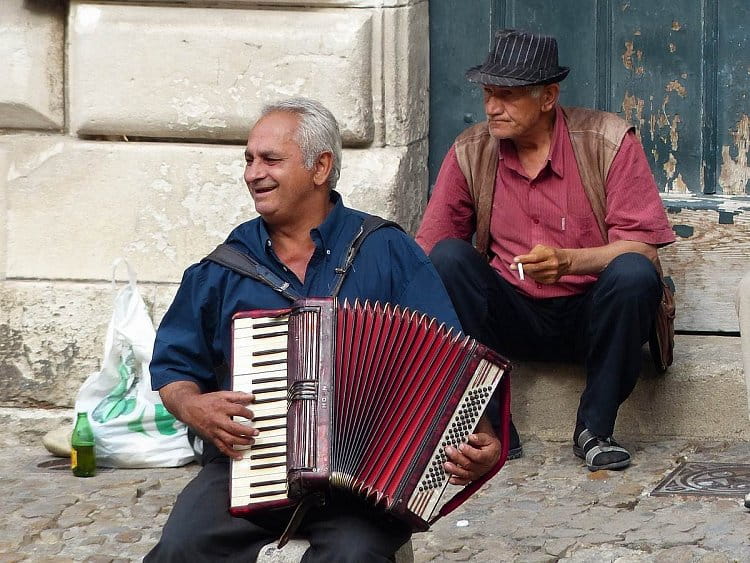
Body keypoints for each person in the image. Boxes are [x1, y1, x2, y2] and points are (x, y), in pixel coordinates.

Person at [145, 97, 503, 562]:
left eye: (271, 159)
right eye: (249, 160)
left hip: (364, 484)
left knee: (354, 557)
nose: (254, 173)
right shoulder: (225, 268)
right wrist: (194, 405)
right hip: (246, 467)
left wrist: (484, 442)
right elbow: (173, 365)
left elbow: (456, 365)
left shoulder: (386, 251)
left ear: (321, 168)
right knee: (180, 548)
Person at [416, 29, 676, 472]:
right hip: (511, 316)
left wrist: (569, 261)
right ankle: (494, 424)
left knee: (634, 273)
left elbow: (645, 249)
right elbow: (427, 252)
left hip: (592, 318)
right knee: (447, 260)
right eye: (488, 93)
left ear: (548, 96)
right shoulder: (472, 150)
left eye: (508, 95)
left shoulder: (608, 141)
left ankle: (595, 428)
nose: (491, 107)